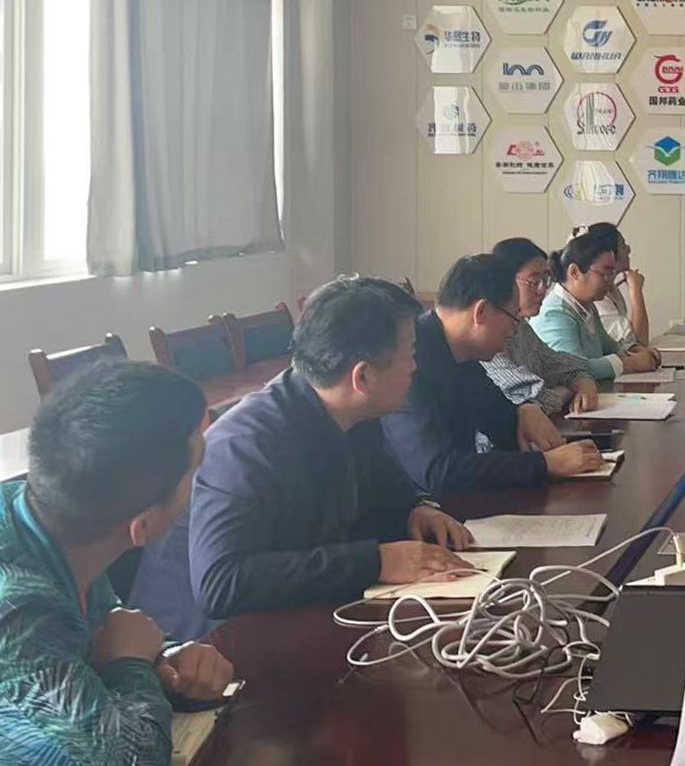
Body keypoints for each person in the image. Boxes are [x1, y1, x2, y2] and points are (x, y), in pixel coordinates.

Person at [129, 277, 475, 641]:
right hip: (203, 649)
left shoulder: (351, 411)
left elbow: (385, 487)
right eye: (410, 354)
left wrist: (416, 509)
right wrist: (377, 561)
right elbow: (220, 584)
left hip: (292, 618)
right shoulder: (245, 446)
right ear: (363, 376)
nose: (415, 367)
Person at [0, 362, 233, 765]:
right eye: (194, 476)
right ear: (141, 526)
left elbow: (101, 641)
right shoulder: (20, 609)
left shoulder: (49, 514)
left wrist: (164, 659)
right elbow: (131, 760)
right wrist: (132, 665)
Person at [383, 254, 605, 494]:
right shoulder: (408, 358)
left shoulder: (461, 352)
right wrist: (546, 464)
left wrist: (523, 411)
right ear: (482, 312)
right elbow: (437, 471)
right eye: (513, 318)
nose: (514, 332)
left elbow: (501, 420)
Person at [482, 238, 601, 429]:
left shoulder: (522, 328)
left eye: (545, 280)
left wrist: (584, 381)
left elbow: (562, 365)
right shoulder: (487, 335)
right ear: (504, 282)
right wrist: (567, 391)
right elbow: (537, 400)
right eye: (533, 281)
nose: (542, 290)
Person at [535, 231, 661, 382]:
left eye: (612, 273)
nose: (610, 280)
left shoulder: (587, 305)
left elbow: (609, 347)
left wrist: (634, 350)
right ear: (575, 272)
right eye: (604, 273)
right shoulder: (555, 314)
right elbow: (573, 370)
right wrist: (630, 363)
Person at [581, 222, 650, 349]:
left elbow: (631, 344)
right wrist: (636, 291)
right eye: (623, 245)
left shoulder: (611, 288)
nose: (628, 249)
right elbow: (639, 341)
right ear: (611, 254)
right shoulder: (598, 297)